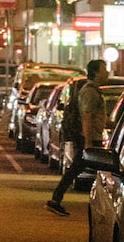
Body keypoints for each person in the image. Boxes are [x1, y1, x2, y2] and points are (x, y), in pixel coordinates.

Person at [47, 58, 111, 216]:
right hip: (88, 139)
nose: (107, 72)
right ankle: (56, 200)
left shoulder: (93, 91)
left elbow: (96, 117)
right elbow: (87, 116)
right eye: (104, 69)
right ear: (96, 73)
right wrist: (88, 142)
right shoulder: (89, 92)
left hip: (90, 138)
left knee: (79, 169)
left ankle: (56, 200)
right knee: (103, 171)